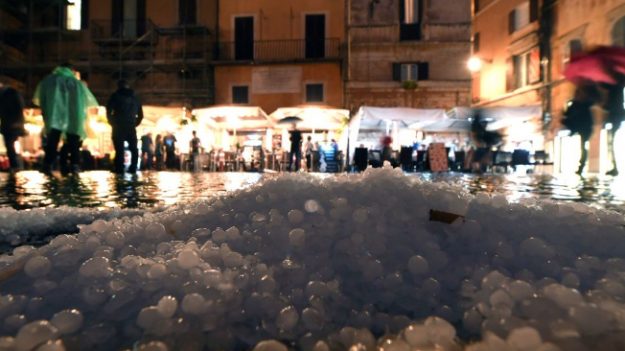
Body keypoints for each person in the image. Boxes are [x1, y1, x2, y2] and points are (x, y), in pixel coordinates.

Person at [33, 63, 98, 174]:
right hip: (74, 116)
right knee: (73, 142)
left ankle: (47, 164)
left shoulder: (48, 81)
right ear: (71, 70)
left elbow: (41, 99)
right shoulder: (76, 83)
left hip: (54, 117)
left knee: (52, 140)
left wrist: (46, 112)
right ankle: (74, 165)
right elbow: (85, 102)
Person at [107, 80, 143, 174]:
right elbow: (140, 115)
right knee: (134, 148)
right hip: (130, 126)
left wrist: (112, 122)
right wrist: (135, 124)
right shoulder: (135, 98)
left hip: (118, 126)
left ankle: (119, 168)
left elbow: (109, 111)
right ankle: (133, 167)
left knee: (119, 149)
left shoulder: (115, 96)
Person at [562, 83, 598, 175]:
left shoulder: (585, 104)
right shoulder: (575, 104)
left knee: (583, 147)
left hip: (584, 128)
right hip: (578, 128)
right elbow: (566, 115)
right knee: (582, 147)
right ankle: (580, 166)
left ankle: (581, 166)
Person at [0, 82, 26, 172]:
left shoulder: (6, 95)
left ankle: (15, 166)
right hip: (15, 124)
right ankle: (16, 166)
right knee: (12, 146)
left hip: (10, 125)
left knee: (10, 146)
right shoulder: (13, 93)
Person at [602, 78, 624, 176]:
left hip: (616, 116)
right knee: (612, 142)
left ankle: (615, 167)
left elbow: (612, 103)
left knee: (612, 142)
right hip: (617, 115)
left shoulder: (616, 85)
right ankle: (614, 166)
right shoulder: (618, 84)